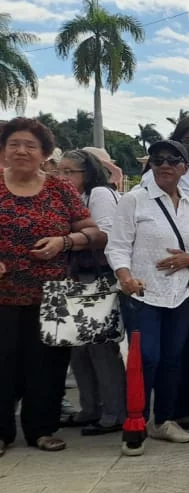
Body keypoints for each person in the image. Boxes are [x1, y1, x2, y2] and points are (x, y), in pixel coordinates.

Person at [0, 118, 106, 454]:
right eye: (14, 143)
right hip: (4, 295)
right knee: (2, 363)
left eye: (30, 145)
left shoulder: (60, 189)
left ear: (44, 153)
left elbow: (95, 234)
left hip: (53, 294)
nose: (21, 150)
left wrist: (65, 241)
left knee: (47, 364)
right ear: (3, 150)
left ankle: (42, 429)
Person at [107, 140, 189, 445]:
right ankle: (135, 420)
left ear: (184, 167)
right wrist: (125, 276)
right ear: (150, 165)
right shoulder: (135, 200)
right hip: (143, 293)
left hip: (179, 294)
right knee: (146, 357)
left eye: (172, 159)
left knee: (172, 359)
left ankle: (163, 419)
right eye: (157, 160)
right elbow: (117, 246)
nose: (164, 165)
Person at [55, 149, 127, 436]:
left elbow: (107, 233)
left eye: (68, 172)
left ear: (87, 173)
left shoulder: (99, 194)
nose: (62, 177)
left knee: (101, 350)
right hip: (73, 277)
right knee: (78, 351)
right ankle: (89, 408)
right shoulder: (67, 197)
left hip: (97, 277)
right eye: (59, 171)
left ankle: (113, 413)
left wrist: (70, 241)